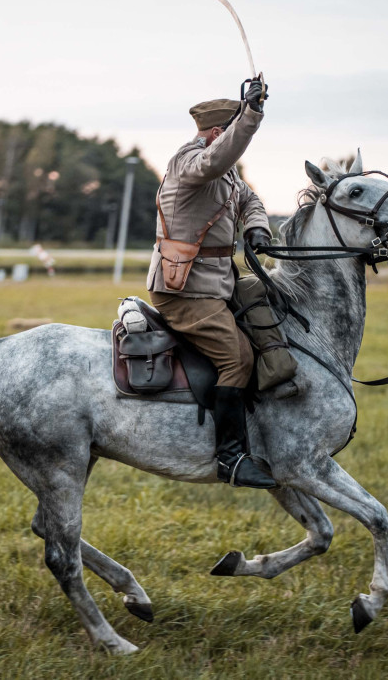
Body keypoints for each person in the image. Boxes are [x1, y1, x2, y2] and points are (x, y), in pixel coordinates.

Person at [145, 81, 275, 489]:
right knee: (238, 360)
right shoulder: (190, 161)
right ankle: (231, 459)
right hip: (184, 291)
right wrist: (251, 116)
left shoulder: (227, 171)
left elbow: (249, 200)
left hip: (216, 285)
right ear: (218, 134)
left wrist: (256, 229)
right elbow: (215, 162)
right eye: (233, 130)